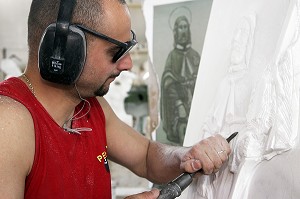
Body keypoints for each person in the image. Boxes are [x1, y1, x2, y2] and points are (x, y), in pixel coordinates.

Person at [0, 0, 231, 198]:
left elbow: (147, 157)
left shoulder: (92, 107)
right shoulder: (9, 126)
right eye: (115, 52)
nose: (127, 64)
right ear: (63, 49)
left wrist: (184, 156)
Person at [160, 15, 201, 145]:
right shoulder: (172, 57)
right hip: (179, 110)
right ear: (176, 31)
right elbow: (168, 82)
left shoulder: (195, 55)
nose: (183, 30)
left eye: (185, 27)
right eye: (180, 27)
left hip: (196, 107)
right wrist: (179, 104)